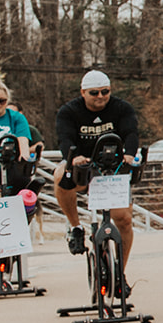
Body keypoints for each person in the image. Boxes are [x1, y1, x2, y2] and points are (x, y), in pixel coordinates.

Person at [54, 71, 141, 287]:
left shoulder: (122, 108)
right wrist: (72, 158)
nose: (100, 96)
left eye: (105, 92)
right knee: (59, 174)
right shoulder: (69, 111)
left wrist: (130, 153)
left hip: (112, 170)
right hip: (84, 168)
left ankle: (119, 273)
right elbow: (64, 138)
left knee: (124, 220)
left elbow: (131, 133)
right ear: (83, 92)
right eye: (94, 93)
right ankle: (75, 227)